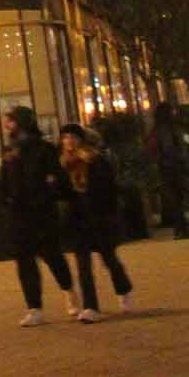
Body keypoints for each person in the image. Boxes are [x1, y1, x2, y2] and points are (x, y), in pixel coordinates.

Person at [0, 106, 76, 326]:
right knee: (25, 262)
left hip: (41, 212)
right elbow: (4, 179)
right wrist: (6, 199)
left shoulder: (44, 149)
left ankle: (68, 291)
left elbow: (58, 178)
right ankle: (34, 308)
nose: (7, 125)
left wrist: (48, 193)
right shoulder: (10, 151)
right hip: (19, 213)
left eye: (11, 121)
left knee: (52, 255)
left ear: (21, 123)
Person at [58, 125, 132, 320]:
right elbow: (62, 192)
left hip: (98, 217)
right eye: (65, 137)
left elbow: (109, 189)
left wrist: (106, 212)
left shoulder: (95, 160)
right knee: (83, 265)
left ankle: (123, 290)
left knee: (109, 259)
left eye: (73, 137)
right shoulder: (63, 164)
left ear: (81, 139)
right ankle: (91, 307)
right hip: (78, 219)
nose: (69, 141)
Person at [149, 101, 189, 238]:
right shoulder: (166, 128)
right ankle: (180, 229)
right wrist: (180, 162)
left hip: (165, 168)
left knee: (175, 198)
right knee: (177, 198)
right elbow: (169, 148)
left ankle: (181, 229)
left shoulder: (157, 128)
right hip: (171, 168)